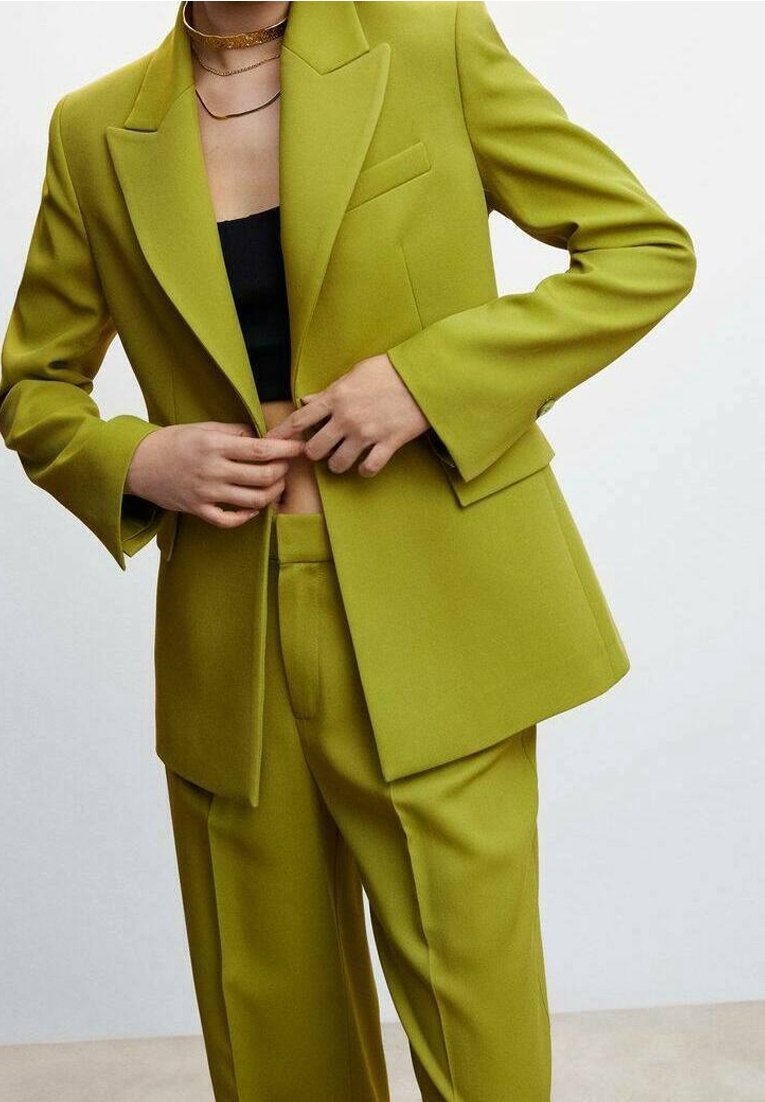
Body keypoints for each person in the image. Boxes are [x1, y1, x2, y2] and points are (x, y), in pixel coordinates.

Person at [0, 2, 696, 1099]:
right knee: (271, 1026)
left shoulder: (429, 40)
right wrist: (138, 459)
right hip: (232, 632)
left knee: (477, 1032)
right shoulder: (93, 131)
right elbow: (35, 386)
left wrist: (429, 380)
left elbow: (643, 252)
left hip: (443, 604)